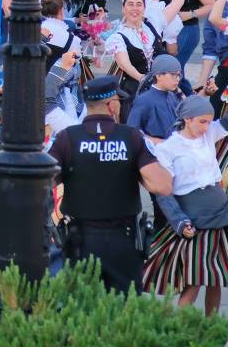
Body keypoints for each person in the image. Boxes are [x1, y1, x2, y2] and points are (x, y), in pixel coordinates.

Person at [142, 80, 228, 315]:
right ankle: (180, 329)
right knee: (195, 279)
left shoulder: (208, 135)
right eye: (202, 122)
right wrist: (180, 221)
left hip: (221, 209)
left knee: (216, 276)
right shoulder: (169, 148)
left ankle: (211, 325)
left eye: (209, 121)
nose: (207, 127)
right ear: (187, 119)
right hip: (194, 216)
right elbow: (164, 192)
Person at [50, 75, 172, 291]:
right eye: (119, 100)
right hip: (122, 241)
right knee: (123, 308)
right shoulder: (131, 137)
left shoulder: (67, 138)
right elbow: (162, 186)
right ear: (111, 105)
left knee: (79, 307)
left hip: (79, 239)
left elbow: (44, 182)